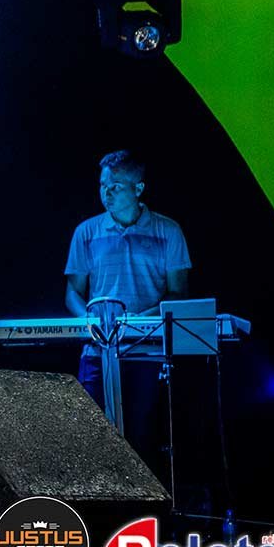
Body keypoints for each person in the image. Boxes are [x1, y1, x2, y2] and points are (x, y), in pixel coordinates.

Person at [63, 150, 190, 474]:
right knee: (92, 434)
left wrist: (134, 322)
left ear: (138, 188)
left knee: (140, 436)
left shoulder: (168, 231)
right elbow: (73, 292)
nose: (107, 192)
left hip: (146, 350)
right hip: (97, 350)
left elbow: (178, 292)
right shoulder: (86, 232)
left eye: (116, 186)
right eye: (103, 185)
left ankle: (140, 501)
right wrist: (90, 321)